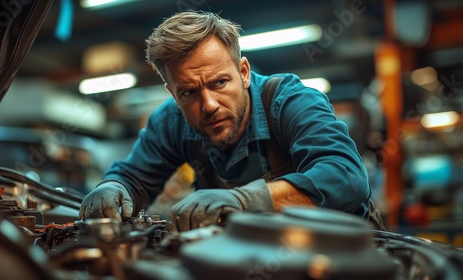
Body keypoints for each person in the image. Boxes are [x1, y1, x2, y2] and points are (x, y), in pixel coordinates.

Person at [79, 10, 384, 231]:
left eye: (219, 82)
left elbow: (346, 177)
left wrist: (245, 200)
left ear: (244, 72)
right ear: (171, 92)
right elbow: (133, 178)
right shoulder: (170, 122)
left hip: (346, 256)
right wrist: (113, 187)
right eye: (188, 91)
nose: (208, 105)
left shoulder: (290, 101)